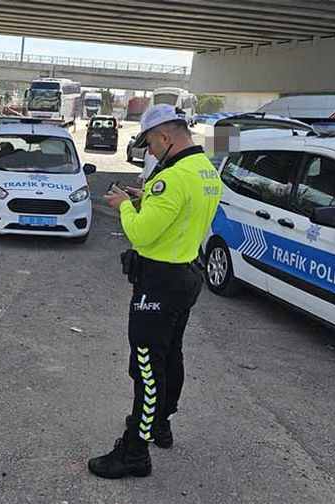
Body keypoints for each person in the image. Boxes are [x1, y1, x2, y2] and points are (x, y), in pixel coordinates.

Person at [88, 104, 223, 479]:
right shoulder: (205, 170)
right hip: (186, 274)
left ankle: (135, 450)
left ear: (165, 137)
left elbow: (142, 233)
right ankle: (161, 423)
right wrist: (145, 199)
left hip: (159, 283)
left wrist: (125, 206)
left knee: (146, 366)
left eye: (149, 143)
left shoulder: (173, 178)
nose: (148, 151)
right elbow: (183, 214)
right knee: (170, 356)